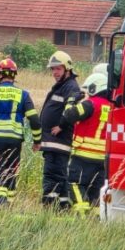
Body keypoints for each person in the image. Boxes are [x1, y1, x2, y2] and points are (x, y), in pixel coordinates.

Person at [0, 58, 42, 206]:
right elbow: (35, 120)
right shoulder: (23, 95)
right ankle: (8, 207)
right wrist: (37, 141)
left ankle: (1, 204)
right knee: (11, 171)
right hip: (14, 140)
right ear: (14, 75)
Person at [61, 72, 111, 218]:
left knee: (74, 184)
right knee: (96, 190)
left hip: (83, 155)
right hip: (103, 159)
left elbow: (69, 115)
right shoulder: (112, 107)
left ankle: (82, 216)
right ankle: (95, 219)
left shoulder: (90, 104)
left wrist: (71, 101)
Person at [39, 50, 82, 210]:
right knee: (60, 176)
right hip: (53, 142)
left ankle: (48, 206)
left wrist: (61, 126)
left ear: (67, 69)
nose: (54, 72)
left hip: (58, 142)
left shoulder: (70, 87)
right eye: (53, 69)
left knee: (51, 175)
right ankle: (64, 207)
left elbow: (71, 109)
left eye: (58, 69)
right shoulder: (63, 86)